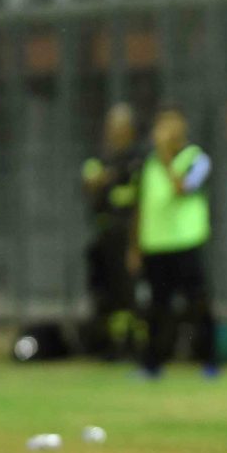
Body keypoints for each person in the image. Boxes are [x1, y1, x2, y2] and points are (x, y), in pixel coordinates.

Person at [128, 108, 215, 378]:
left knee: (196, 304)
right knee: (156, 308)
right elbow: (141, 206)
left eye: (170, 125)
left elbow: (182, 189)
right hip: (155, 245)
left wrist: (166, 156)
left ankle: (210, 361)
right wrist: (134, 246)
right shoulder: (149, 163)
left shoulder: (196, 158)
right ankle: (152, 365)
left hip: (186, 243)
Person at [81, 103, 144, 359]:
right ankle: (111, 344)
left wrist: (135, 245)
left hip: (128, 237)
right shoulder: (99, 159)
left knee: (129, 293)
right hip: (104, 236)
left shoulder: (137, 161)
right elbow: (88, 183)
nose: (116, 132)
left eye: (121, 127)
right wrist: (96, 182)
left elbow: (138, 201)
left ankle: (134, 345)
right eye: (112, 127)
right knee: (106, 293)